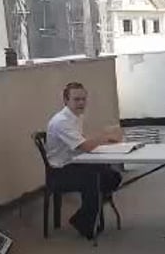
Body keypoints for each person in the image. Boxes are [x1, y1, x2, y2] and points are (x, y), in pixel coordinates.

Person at [46, 82, 124, 239]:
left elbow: (81, 142)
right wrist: (105, 136)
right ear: (66, 101)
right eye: (76, 99)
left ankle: (85, 215)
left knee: (112, 176)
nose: (81, 103)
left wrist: (106, 140)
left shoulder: (76, 116)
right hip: (60, 171)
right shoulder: (62, 121)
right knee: (94, 178)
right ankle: (86, 223)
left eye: (83, 99)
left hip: (74, 163)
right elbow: (86, 146)